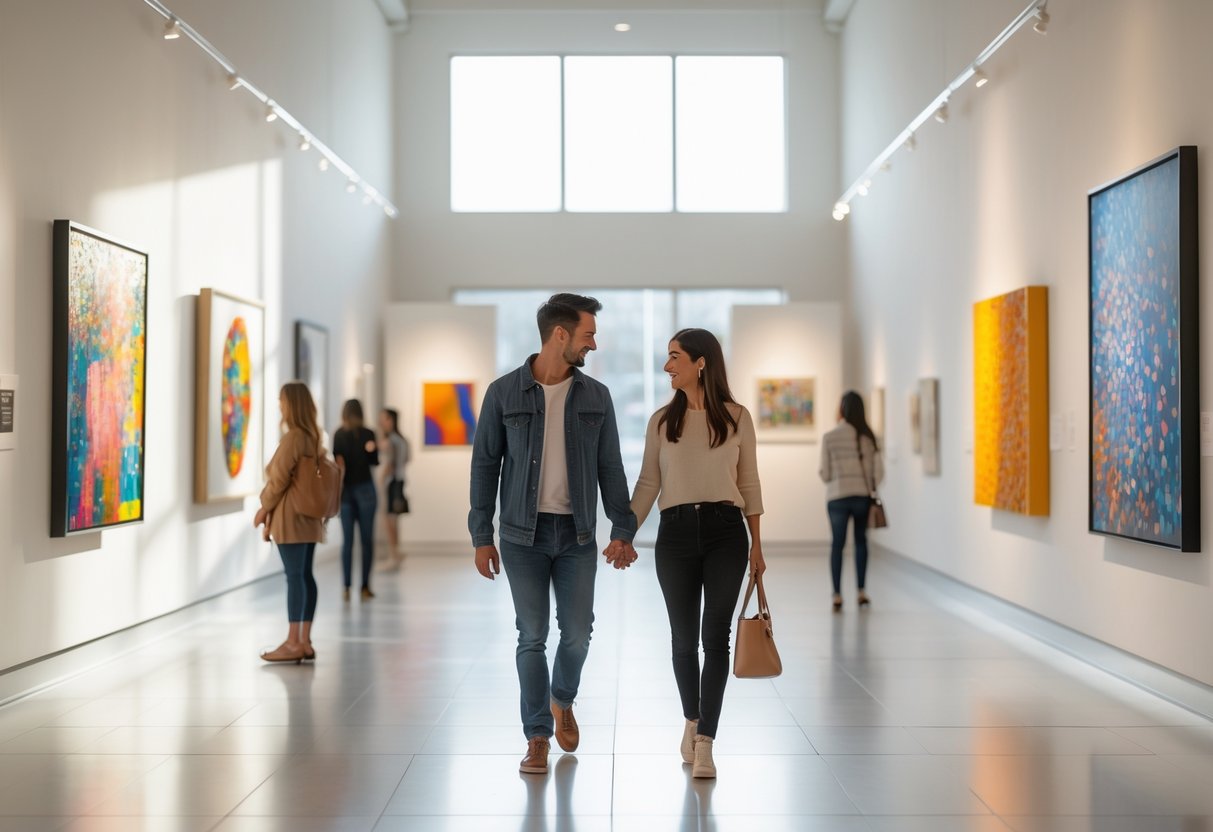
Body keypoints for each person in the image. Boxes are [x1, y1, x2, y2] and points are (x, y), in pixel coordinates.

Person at [469, 292, 639, 776]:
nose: (594, 344)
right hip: (522, 536)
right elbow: (484, 466)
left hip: (578, 536)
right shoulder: (503, 393)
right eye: (588, 334)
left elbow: (611, 467)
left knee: (579, 634)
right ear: (560, 334)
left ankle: (562, 697)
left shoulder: (595, 396)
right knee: (532, 636)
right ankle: (537, 735)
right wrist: (482, 534)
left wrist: (622, 527)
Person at [629, 328, 765, 780]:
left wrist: (758, 546)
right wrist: (623, 533)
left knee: (716, 637)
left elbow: (749, 483)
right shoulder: (661, 421)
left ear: (700, 362)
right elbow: (649, 484)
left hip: (728, 533)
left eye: (674, 357)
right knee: (683, 640)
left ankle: (706, 740)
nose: (667, 366)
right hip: (675, 535)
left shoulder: (736, 416)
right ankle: (692, 717)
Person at [254, 381, 328, 663]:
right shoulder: (313, 436)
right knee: (305, 576)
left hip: (291, 518)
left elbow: (278, 479)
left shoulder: (294, 438)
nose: (279, 405)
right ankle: (304, 640)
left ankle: (293, 641)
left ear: (291, 405)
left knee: (294, 577)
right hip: (309, 518)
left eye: (281, 400)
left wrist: (263, 508)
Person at [819, 390, 883, 612]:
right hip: (861, 497)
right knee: (861, 542)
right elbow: (878, 472)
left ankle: (837, 594)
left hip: (837, 497)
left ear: (842, 409)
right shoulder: (868, 438)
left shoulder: (830, 437)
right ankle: (861, 591)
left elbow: (825, 474)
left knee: (837, 545)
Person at [333, 398, 379, 601]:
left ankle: (346, 587)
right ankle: (365, 587)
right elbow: (374, 461)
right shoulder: (368, 434)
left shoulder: (338, 434)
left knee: (348, 542)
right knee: (366, 541)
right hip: (365, 490)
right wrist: (370, 450)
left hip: (346, 492)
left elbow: (337, 463)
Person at [379, 407, 410, 566]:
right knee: (394, 518)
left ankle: (393, 555)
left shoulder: (391, 440)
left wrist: (380, 480)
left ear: (391, 420)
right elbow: (407, 460)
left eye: (384, 418)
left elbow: (390, 464)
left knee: (389, 518)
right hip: (400, 480)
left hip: (392, 482)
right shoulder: (402, 439)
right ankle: (396, 553)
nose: (381, 422)